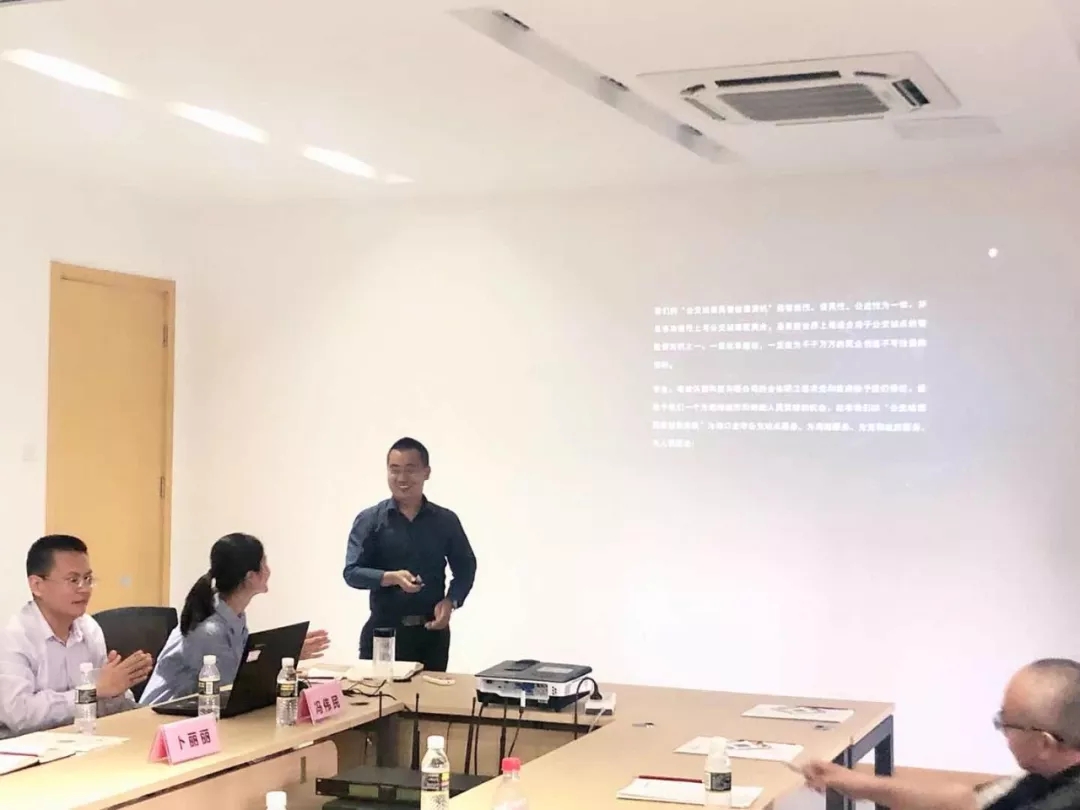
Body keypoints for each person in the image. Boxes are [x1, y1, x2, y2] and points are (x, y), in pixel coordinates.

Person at [801, 658, 1080, 810]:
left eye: (1006, 724)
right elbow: (964, 801)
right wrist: (856, 783)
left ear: (1044, 743)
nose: (1002, 731)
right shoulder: (1046, 773)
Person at [140, 533, 330, 705]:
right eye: (264, 564)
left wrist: (288, 652)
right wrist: (286, 656)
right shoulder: (209, 630)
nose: (269, 570)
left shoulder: (233, 616)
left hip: (200, 711)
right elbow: (234, 688)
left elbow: (243, 670)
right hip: (163, 718)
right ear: (250, 576)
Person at [344, 437, 477, 673]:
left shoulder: (445, 521)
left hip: (432, 633)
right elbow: (352, 572)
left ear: (426, 472)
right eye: (394, 470)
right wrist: (391, 577)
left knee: (430, 695)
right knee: (379, 694)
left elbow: (466, 567)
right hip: (383, 632)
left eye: (410, 469)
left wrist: (451, 601)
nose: (402, 478)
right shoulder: (370, 520)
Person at [0, 535, 153, 738]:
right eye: (73, 580)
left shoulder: (89, 629)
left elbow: (104, 701)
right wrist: (91, 692)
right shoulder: (13, 637)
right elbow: (20, 716)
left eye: (88, 579)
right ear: (37, 585)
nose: (84, 589)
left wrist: (118, 688)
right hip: (23, 750)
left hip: (81, 741)